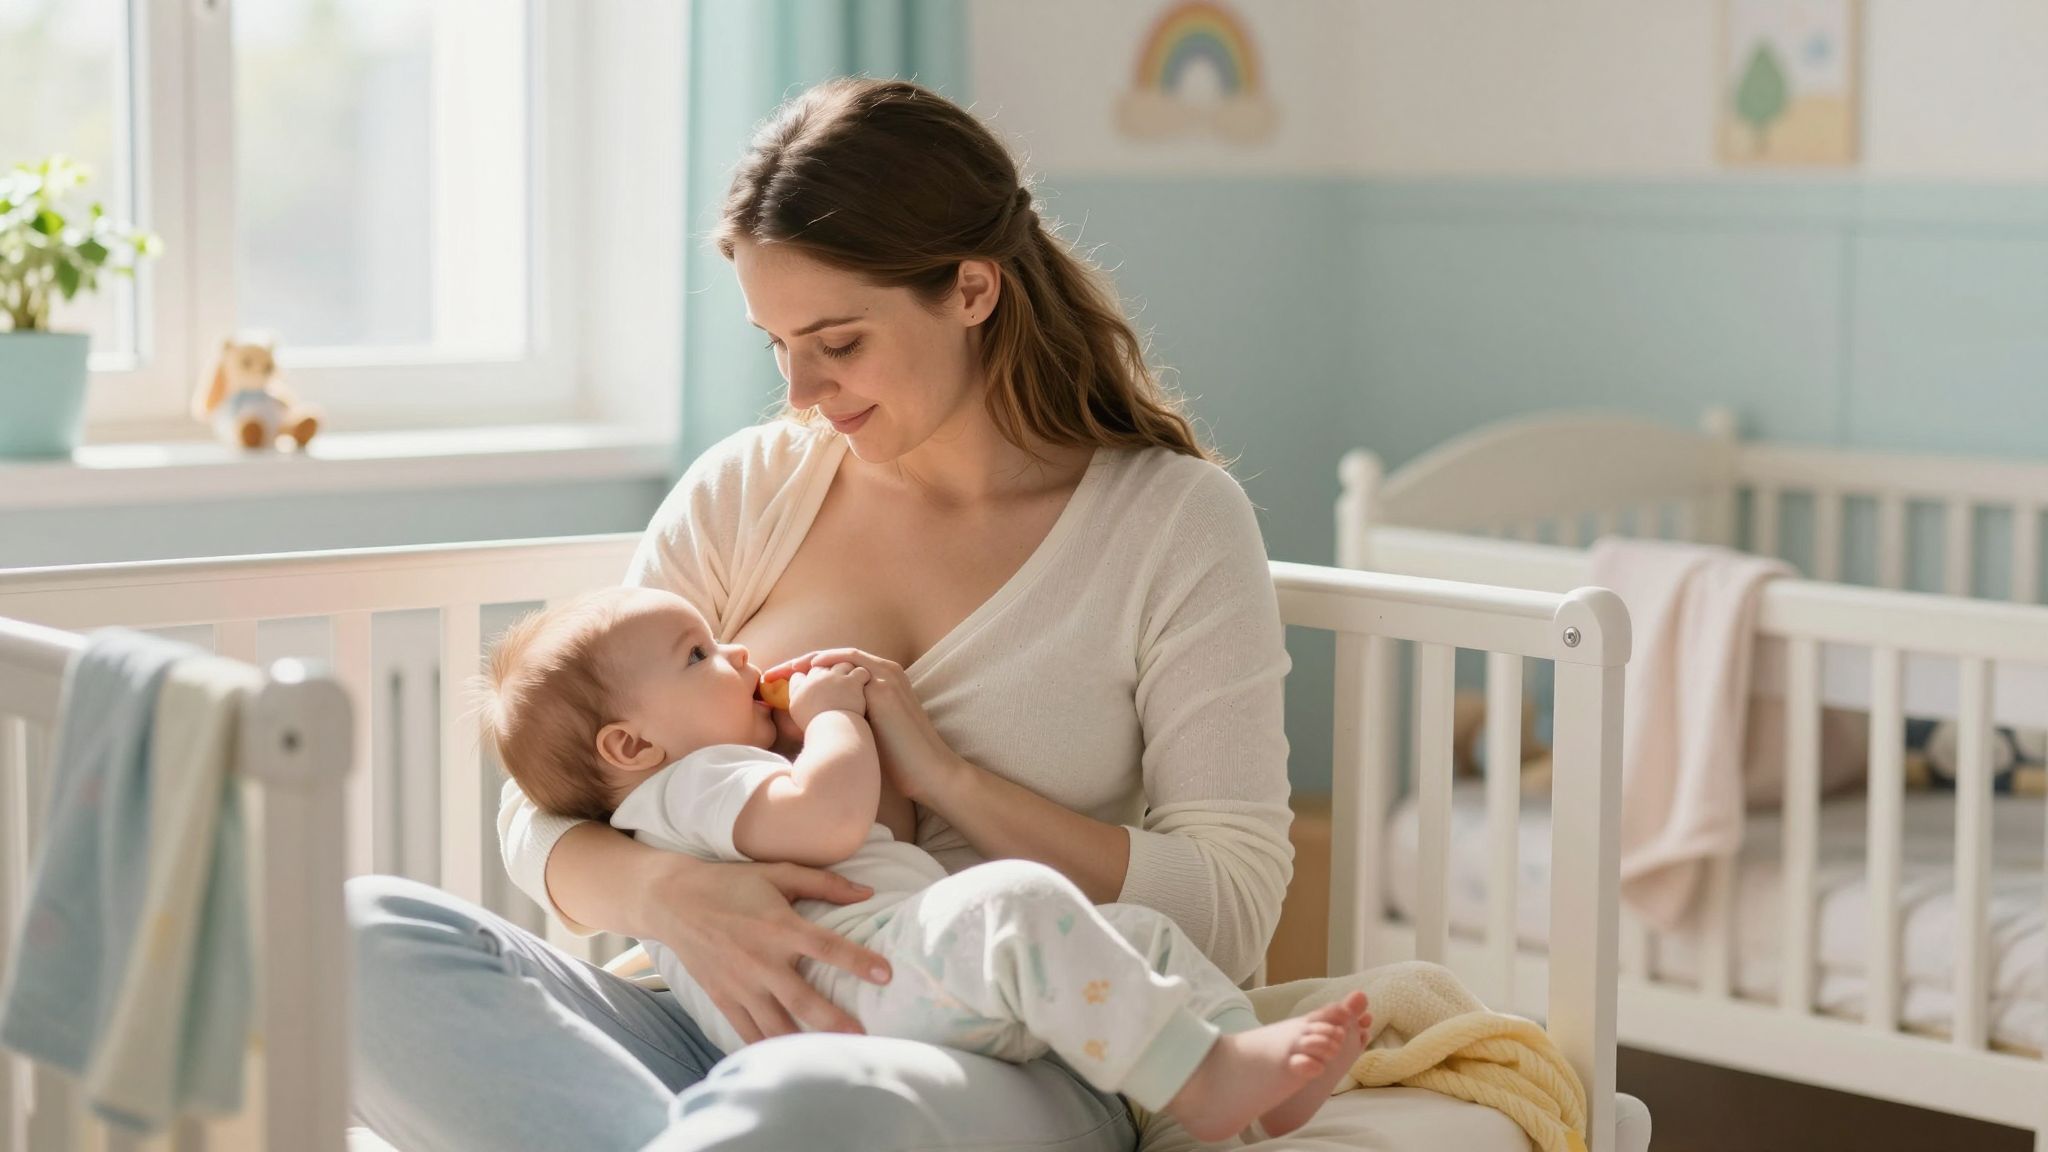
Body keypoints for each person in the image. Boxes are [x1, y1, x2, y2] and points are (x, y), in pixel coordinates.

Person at [345, 75, 1295, 1152]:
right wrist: (666, 896)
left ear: (972, 289)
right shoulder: (745, 492)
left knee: (805, 1111)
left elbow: (1229, 904)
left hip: (991, 1050)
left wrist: (950, 782)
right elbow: (548, 797)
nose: (800, 391)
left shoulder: (1169, 523)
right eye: (775, 344)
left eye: (837, 343)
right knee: (352, 939)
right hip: (699, 1010)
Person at [475, 586, 1367, 1143]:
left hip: (903, 980)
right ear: (631, 744)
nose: (738, 655)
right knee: (1014, 901)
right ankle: (1207, 1083)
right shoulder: (685, 788)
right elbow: (827, 820)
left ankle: (1222, 1093)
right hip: (863, 992)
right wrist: (831, 718)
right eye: (701, 655)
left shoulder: (698, 778)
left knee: (1138, 931)